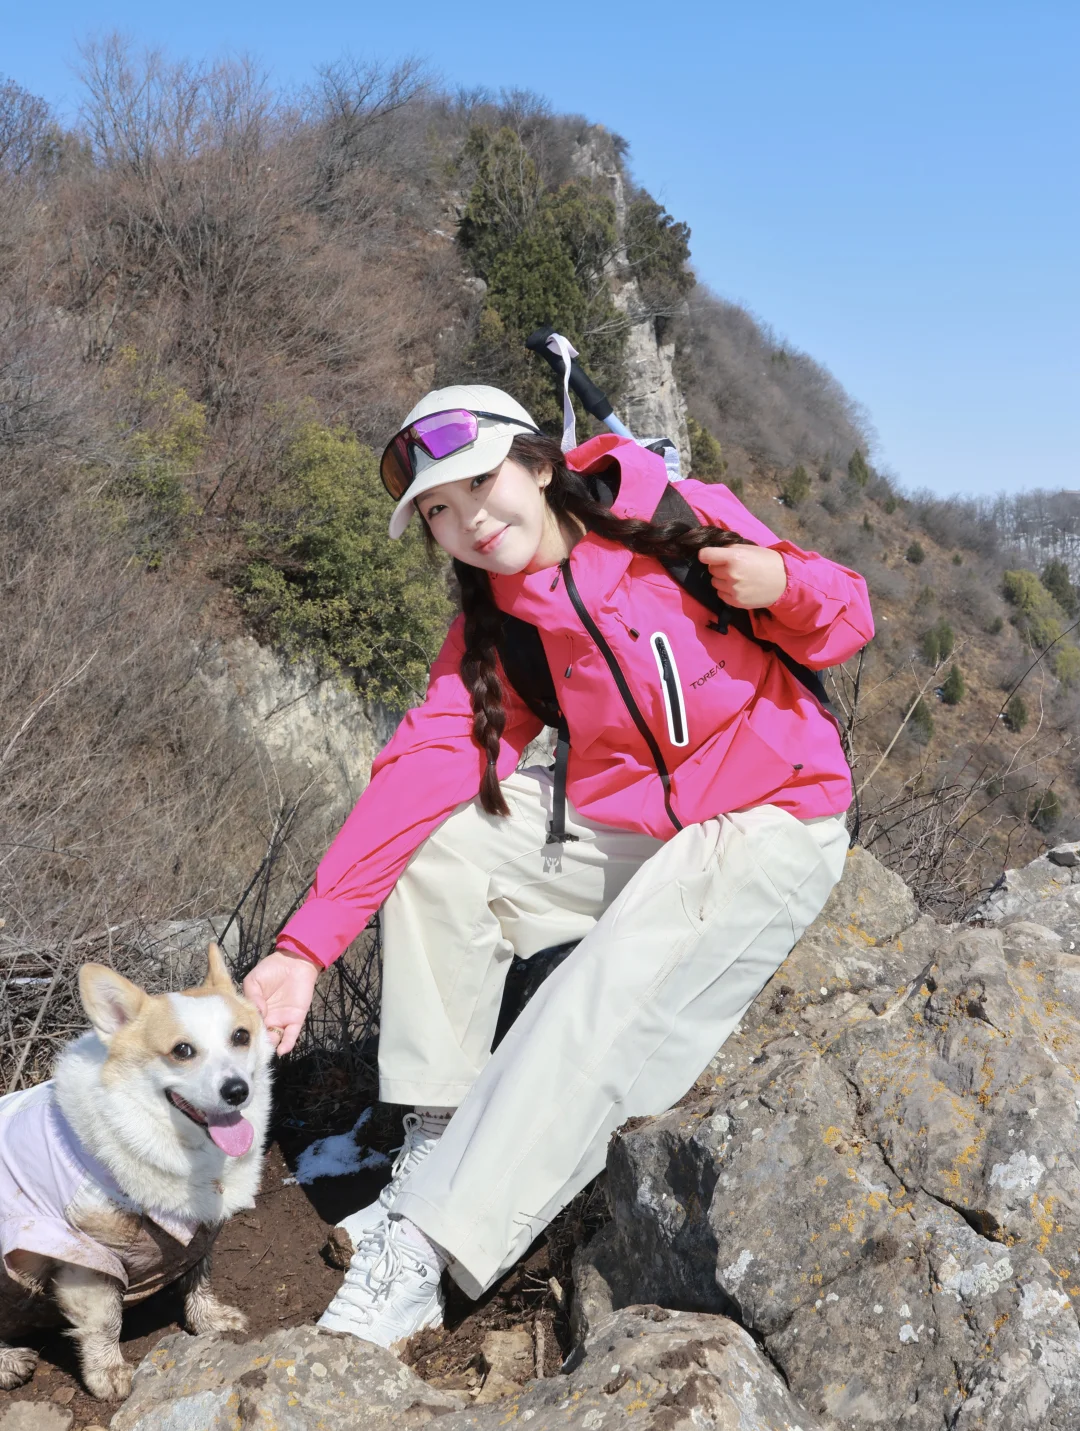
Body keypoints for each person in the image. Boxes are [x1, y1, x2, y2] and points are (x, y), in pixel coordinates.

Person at [243, 383, 874, 1348]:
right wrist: (304, 949)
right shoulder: (501, 625)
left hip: (772, 816)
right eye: (439, 513)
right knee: (446, 839)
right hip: (640, 832)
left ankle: (435, 1239)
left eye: (480, 483)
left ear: (539, 466)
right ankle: (442, 1128)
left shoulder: (669, 518)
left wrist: (784, 588)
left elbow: (847, 615)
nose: (469, 521)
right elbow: (423, 768)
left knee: (604, 986)